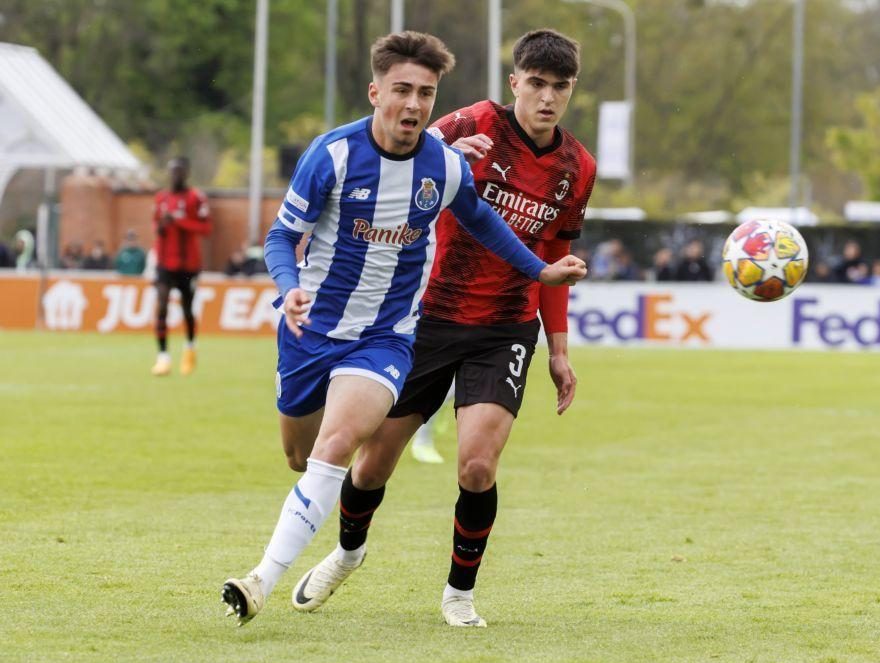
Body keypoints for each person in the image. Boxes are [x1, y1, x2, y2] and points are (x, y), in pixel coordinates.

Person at [219, 31, 586, 626]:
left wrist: (547, 294)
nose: (414, 105)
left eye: (425, 93)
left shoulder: (547, 167)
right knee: (330, 461)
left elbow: (495, 227)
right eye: (403, 91)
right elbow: (284, 235)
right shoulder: (353, 150)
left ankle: (275, 579)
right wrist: (290, 291)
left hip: (426, 333)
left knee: (448, 461)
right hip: (367, 324)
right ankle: (347, 551)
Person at [150, 156, 211, 376]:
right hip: (165, 263)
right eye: (171, 171)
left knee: (187, 309)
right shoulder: (161, 198)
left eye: (178, 171)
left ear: (186, 172)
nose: (174, 175)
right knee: (162, 306)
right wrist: (163, 225)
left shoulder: (196, 197)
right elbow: (157, 228)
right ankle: (163, 357)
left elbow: (206, 229)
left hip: (188, 265)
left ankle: (189, 349)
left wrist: (179, 221)